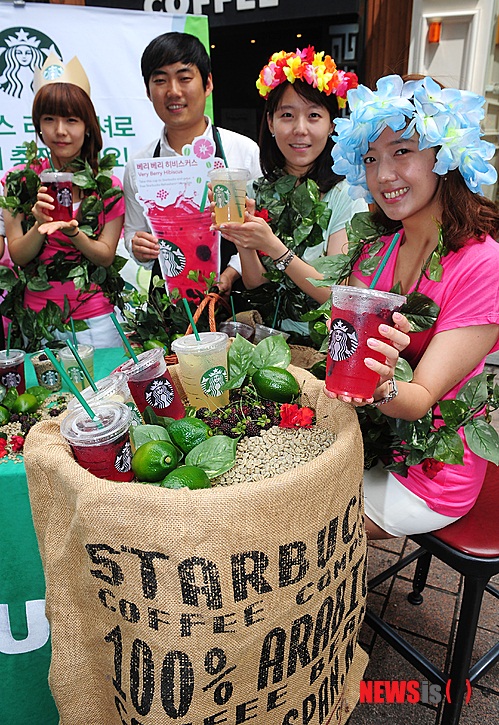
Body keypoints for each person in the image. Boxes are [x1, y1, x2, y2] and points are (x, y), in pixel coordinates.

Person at [325, 74, 499, 539]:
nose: (383, 175)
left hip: (432, 470)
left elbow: (419, 399)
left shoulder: (484, 264)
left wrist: (380, 384)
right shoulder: (383, 247)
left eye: (402, 151)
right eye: (370, 158)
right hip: (370, 441)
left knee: (299, 525)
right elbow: (339, 305)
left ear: (444, 156)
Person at [210, 46, 366, 341]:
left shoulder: (346, 195)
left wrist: (275, 248)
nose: (300, 129)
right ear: (270, 122)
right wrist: (243, 238)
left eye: (314, 115)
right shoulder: (259, 190)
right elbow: (259, 287)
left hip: (320, 347)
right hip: (267, 345)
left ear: (332, 124)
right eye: (287, 115)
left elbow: (337, 296)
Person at [0, 55, 125, 351]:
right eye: (49, 119)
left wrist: (74, 233)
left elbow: (105, 256)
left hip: (97, 320)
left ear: (88, 125)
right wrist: (40, 225)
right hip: (38, 319)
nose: (60, 131)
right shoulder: (18, 181)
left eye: (71, 119)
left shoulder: (107, 186)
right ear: (38, 125)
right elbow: (18, 255)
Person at [123, 31, 261, 297]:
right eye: (160, 80)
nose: (173, 91)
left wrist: (231, 274)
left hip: (237, 298)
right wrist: (137, 246)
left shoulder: (242, 150)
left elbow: (262, 233)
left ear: (208, 83)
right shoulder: (139, 164)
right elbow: (134, 232)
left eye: (184, 78)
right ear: (148, 91)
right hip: (168, 300)